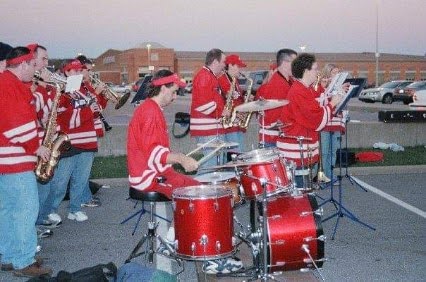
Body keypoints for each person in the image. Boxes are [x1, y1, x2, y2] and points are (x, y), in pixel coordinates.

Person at [127, 69, 243, 274]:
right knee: (203, 200)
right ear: (162, 88)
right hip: (149, 178)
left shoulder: (150, 109)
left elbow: (154, 149)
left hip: (156, 172)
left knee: (199, 188)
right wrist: (181, 159)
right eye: (173, 91)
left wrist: (178, 157)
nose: (175, 96)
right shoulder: (150, 112)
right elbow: (154, 152)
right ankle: (210, 259)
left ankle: (171, 239)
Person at [0, 46, 53, 277]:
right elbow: (15, 123)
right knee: (26, 209)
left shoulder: (7, 83)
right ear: (22, 64)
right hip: (16, 160)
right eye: (32, 66)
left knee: (9, 210)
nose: (35, 70)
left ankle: (11, 255)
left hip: (7, 160)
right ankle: (24, 261)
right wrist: (37, 147)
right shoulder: (9, 86)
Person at [277, 53, 342, 188]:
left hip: (301, 150)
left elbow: (315, 110)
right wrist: (333, 103)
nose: (318, 72)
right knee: (301, 194)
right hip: (297, 153)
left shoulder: (304, 89)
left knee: (303, 193)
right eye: (315, 68)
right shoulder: (299, 91)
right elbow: (317, 120)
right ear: (306, 71)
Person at [48, 59, 99, 222]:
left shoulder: (85, 88)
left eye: (80, 70)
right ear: (66, 72)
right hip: (70, 142)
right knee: (61, 181)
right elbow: (65, 119)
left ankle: (75, 208)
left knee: (81, 180)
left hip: (88, 141)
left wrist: (95, 107)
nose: (78, 74)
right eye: (74, 71)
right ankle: (50, 210)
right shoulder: (62, 92)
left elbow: (95, 112)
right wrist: (88, 112)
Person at [29, 44, 63, 239]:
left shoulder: (41, 89)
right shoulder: (30, 88)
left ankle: (39, 219)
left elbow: (46, 113)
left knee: (44, 186)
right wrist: (44, 89)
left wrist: (50, 90)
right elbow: (33, 110)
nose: (46, 64)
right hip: (34, 146)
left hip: (44, 142)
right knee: (36, 190)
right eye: (43, 59)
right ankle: (33, 225)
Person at [189, 48, 227, 169]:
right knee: (209, 168)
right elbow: (204, 105)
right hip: (208, 130)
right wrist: (222, 111)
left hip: (212, 128)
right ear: (215, 62)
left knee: (215, 166)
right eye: (223, 62)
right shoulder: (204, 76)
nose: (224, 65)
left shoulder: (209, 76)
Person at [255, 49, 297, 147]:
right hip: (273, 139)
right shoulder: (277, 84)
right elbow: (271, 118)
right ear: (285, 63)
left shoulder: (288, 81)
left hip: (278, 137)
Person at [316, 63, 349, 182]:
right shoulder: (322, 87)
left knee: (333, 152)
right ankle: (321, 176)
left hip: (336, 123)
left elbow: (343, 106)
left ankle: (330, 174)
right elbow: (320, 104)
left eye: (338, 73)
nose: (336, 75)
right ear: (328, 74)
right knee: (323, 152)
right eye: (334, 73)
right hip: (325, 124)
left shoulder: (340, 88)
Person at [218, 54, 248, 153]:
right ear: (230, 65)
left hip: (236, 124)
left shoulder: (234, 81)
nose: (240, 69)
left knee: (241, 153)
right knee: (235, 155)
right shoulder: (222, 80)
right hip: (229, 125)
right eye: (238, 66)